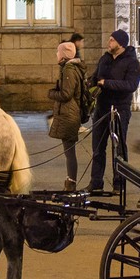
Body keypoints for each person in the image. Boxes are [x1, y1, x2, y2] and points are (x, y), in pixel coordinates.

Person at [88, 29, 140, 192]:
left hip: (120, 108)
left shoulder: (131, 62)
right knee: (98, 147)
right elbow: (96, 77)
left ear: (120, 43)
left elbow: (131, 86)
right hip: (102, 107)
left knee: (118, 147)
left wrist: (107, 83)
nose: (108, 42)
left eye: (112, 40)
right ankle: (96, 182)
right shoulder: (105, 58)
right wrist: (91, 83)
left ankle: (119, 182)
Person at [47, 38, 87, 189]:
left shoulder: (69, 70)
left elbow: (66, 94)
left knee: (69, 152)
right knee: (69, 151)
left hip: (69, 115)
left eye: (58, 51)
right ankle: (70, 181)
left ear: (63, 54)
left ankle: (71, 183)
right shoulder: (69, 68)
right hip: (70, 113)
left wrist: (51, 93)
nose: (56, 54)